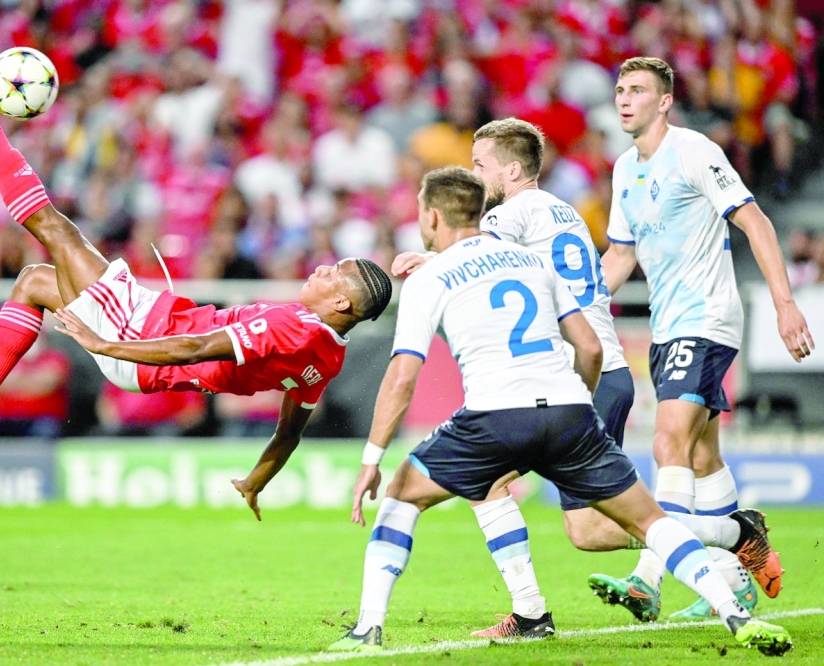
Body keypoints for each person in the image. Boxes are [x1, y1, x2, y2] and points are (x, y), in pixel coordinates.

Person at [0, 48, 392, 515]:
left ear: (344, 304)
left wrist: (106, 345)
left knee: (53, 227)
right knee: (34, 281)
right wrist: (255, 481)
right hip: (144, 332)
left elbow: (195, 349)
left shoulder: (293, 326)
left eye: (334, 274)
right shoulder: (328, 355)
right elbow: (289, 432)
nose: (322, 268)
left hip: (140, 334)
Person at [327, 167, 790, 655]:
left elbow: (402, 377)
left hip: (493, 417)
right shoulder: (533, 262)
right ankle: (736, 615)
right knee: (650, 521)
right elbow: (588, 348)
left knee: (402, 496)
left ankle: (368, 629)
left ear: (433, 215)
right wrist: (575, 410)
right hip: (569, 408)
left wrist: (372, 459)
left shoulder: (430, 275)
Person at [391, 118, 635, 637]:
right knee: (493, 484)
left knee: (590, 529)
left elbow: (474, 250)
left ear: (515, 169)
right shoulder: (560, 210)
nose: (475, 177)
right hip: (587, 372)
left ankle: (722, 533)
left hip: (584, 376)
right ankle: (529, 613)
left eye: (481, 166)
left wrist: (430, 261)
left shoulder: (517, 212)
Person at [590, 57, 813, 622]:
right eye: (619, 89)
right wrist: (578, 304)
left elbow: (755, 220)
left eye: (637, 90)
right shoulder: (623, 169)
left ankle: (648, 580)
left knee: (668, 441)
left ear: (664, 101)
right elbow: (621, 253)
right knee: (702, 454)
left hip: (707, 317)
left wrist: (786, 305)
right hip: (668, 325)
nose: (624, 99)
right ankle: (739, 562)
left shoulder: (693, 151)